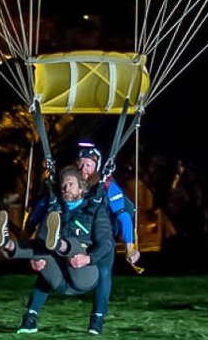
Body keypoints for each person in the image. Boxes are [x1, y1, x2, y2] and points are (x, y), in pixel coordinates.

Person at [0, 166, 113, 335]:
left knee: (70, 245)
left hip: (84, 274)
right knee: (43, 249)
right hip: (58, 279)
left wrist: (89, 259)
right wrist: (34, 260)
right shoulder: (54, 211)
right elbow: (39, 243)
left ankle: (58, 244)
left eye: (70, 184)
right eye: (63, 185)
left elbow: (106, 244)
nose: (65, 188)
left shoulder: (95, 210)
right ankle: (7, 244)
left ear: (81, 187)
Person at [74, 143, 142, 334]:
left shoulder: (107, 186)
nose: (83, 170)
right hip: (77, 237)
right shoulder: (70, 183)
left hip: (102, 238)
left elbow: (124, 216)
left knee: (104, 273)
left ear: (97, 166)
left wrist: (130, 247)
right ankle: (32, 314)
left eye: (88, 165)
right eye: (80, 164)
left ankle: (97, 318)